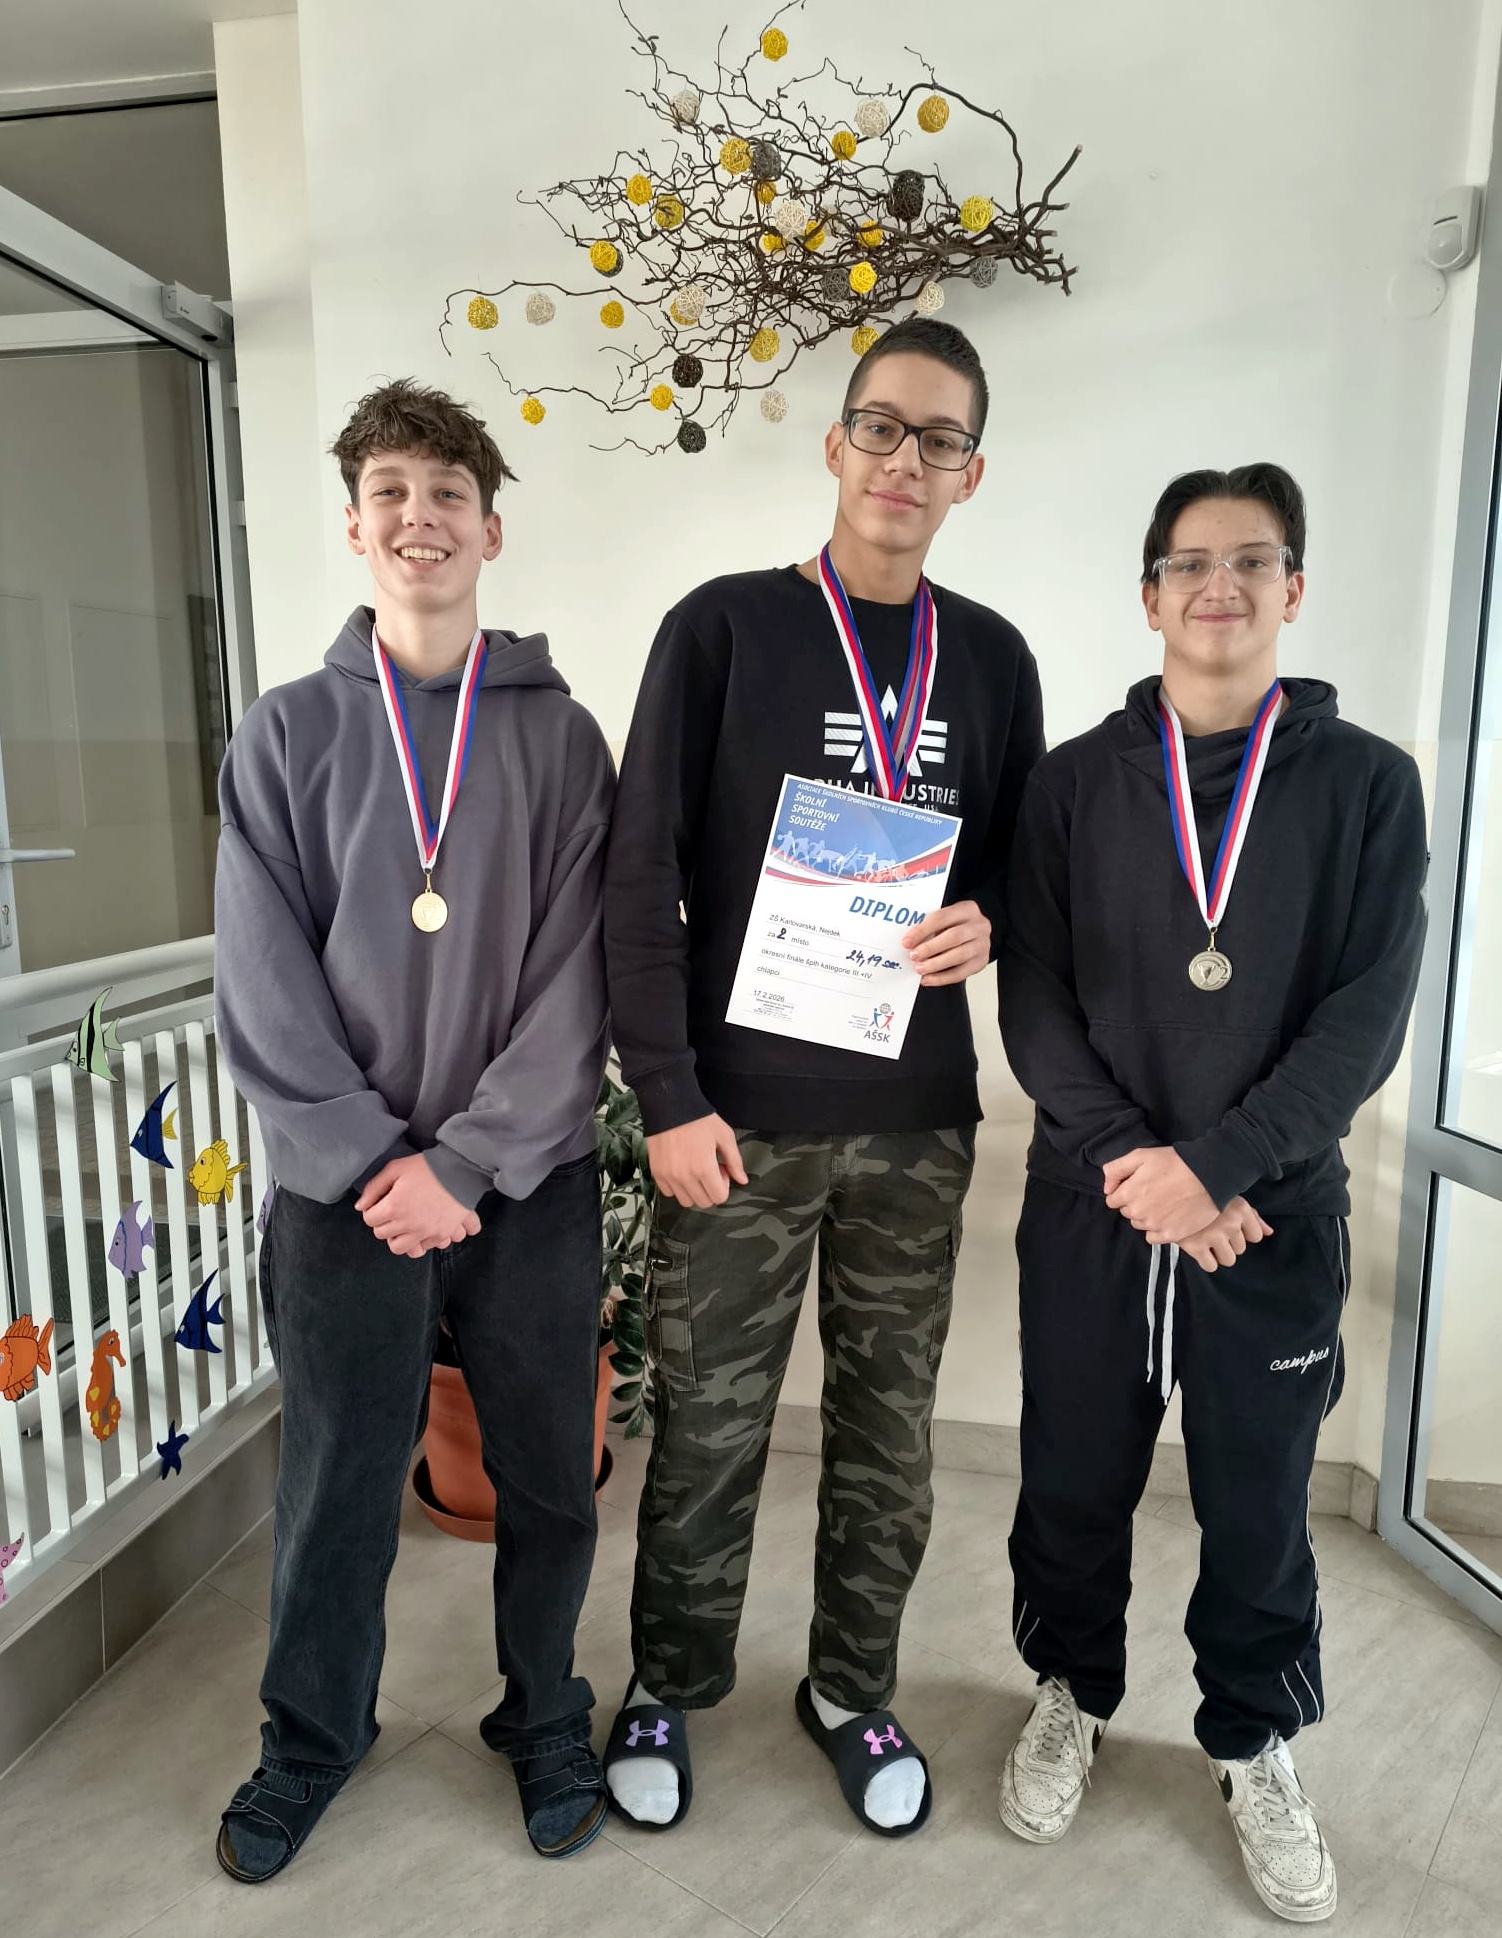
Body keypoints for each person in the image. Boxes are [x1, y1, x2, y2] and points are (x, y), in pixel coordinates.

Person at [601, 317, 1045, 1837]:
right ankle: (667, 1684)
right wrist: (667, 1097)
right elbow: (638, 878)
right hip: (735, 1123)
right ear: (836, 442)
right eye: (882, 426)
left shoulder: (993, 658)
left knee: (888, 1439)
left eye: (940, 438)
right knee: (709, 1431)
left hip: (912, 1123)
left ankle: (853, 1688)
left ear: (971, 472)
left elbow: (1019, 866)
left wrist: (991, 918)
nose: (905, 459)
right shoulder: (722, 630)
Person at [996, 463, 1427, 1922]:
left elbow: (1365, 1013)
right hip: (1096, 1203)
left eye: (1251, 560)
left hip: (1269, 1213)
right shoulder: (1070, 784)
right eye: (1189, 562)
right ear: (1149, 596)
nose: (1218, 586)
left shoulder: (1368, 784)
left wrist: (1221, 1171)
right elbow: (1035, 997)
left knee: (1258, 1500)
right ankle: (1069, 1689)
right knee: (1071, 1474)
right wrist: (1151, 1172)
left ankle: (1250, 1736)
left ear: (1293, 589)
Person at [212, 379, 614, 1879]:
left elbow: (580, 977)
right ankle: (311, 1736)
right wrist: (380, 1161)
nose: (419, 517)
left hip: (526, 1181)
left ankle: (546, 1712)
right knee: (334, 1479)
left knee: (548, 1475)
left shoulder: (562, 740)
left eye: (448, 493)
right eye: (390, 491)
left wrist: (467, 1162)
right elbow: (260, 977)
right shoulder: (288, 733)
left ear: (490, 530)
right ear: (353, 526)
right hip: (346, 1191)